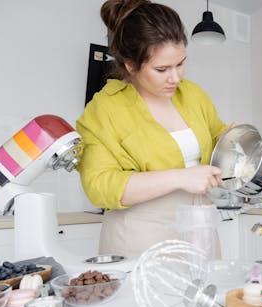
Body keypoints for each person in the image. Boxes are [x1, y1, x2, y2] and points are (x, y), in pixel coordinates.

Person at [76, 0, 234, 257]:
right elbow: (100, 185)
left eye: (180, 63)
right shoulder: (104, 109)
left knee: (205, 295)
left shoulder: (192, 94)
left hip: (199, 229)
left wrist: (231, 137)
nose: (175, 78)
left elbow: (216, 136)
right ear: (130, 64)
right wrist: (181, 177)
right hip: (139, 238)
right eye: (162, 69)